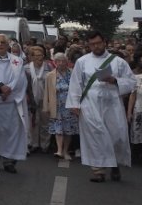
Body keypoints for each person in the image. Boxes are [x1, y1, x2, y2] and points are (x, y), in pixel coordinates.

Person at [67, 31, 136, 182]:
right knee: (95, 135)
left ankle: (114, 164)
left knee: (115, 134)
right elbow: (76, 83)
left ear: (104, 42)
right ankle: (98, 171)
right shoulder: (82, 61)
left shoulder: (118, 62)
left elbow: (131, 81)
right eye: (92, 44)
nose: (96, 46)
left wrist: (115, 80)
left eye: (98, 43)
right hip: (90, 103)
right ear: (88, 45)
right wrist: (74, 104)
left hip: (112, 102)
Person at [0, 34, 28, 173]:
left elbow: (21, 80)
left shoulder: (17, 61)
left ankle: (9, 161)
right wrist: (0, 88)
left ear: (8, 45)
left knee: (11, 132)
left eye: (3, 42)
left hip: (10, 102)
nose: (0, 45)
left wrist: (8, 90)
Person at [44, 53, 78, 160]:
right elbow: (47, 93)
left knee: (68, 129)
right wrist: (46, 107)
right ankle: (59, 150)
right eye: (58, 61)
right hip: (57, 106)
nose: (61, 63)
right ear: (55, 62)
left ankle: (65, 151)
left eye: (63, 61)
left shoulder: (72, 73)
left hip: (70, 106)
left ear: (67, 61)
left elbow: (77, 89)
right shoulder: (50, 75)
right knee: (58, 129)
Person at [25, 45, 52, 154]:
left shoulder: (49, 67)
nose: (39, 58)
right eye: (36, 55)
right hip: (32, 99)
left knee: (45, 122)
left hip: (46, 99)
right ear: (32, 57)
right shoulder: (26, 68)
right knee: (34, 123)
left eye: (41, 55)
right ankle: (34, 144)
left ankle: (45, 144)